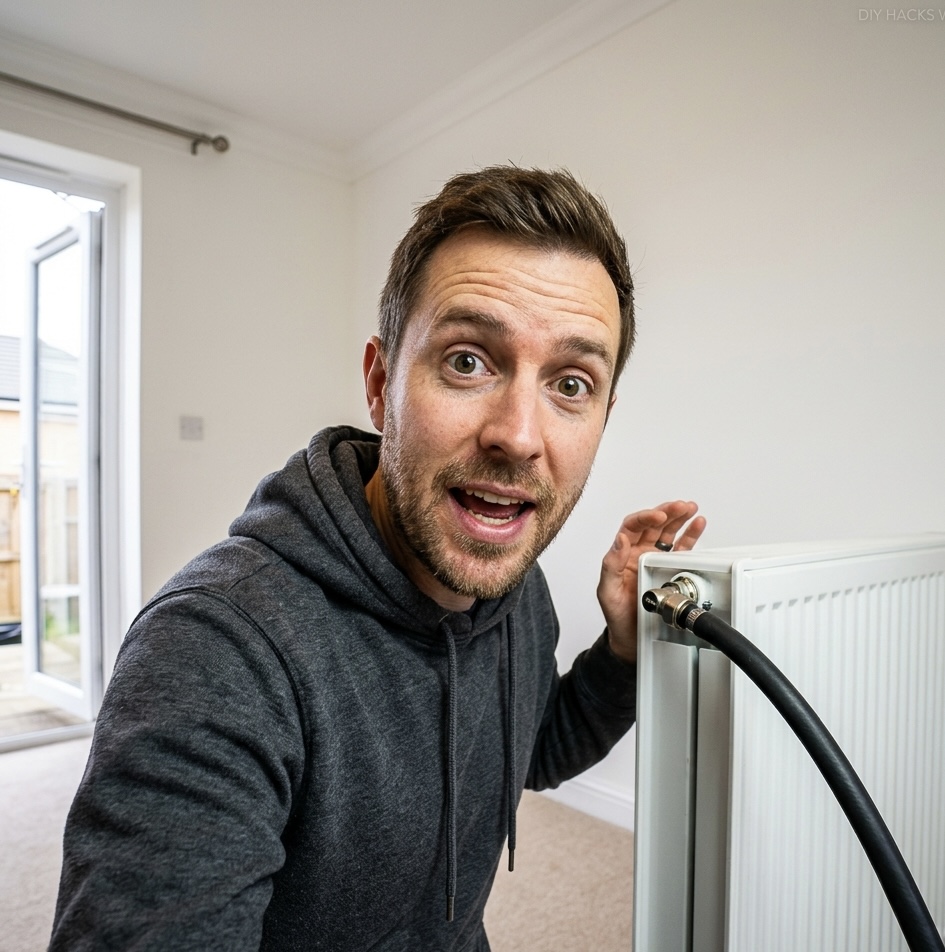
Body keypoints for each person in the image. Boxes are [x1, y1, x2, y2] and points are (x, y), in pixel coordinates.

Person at [48, 166, 705, 951]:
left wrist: (624, 653)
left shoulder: (514, 591)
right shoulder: (215, 649)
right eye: (468, 360)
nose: (519, 434)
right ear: (380, 380)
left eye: (570, 382)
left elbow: (527, 754)